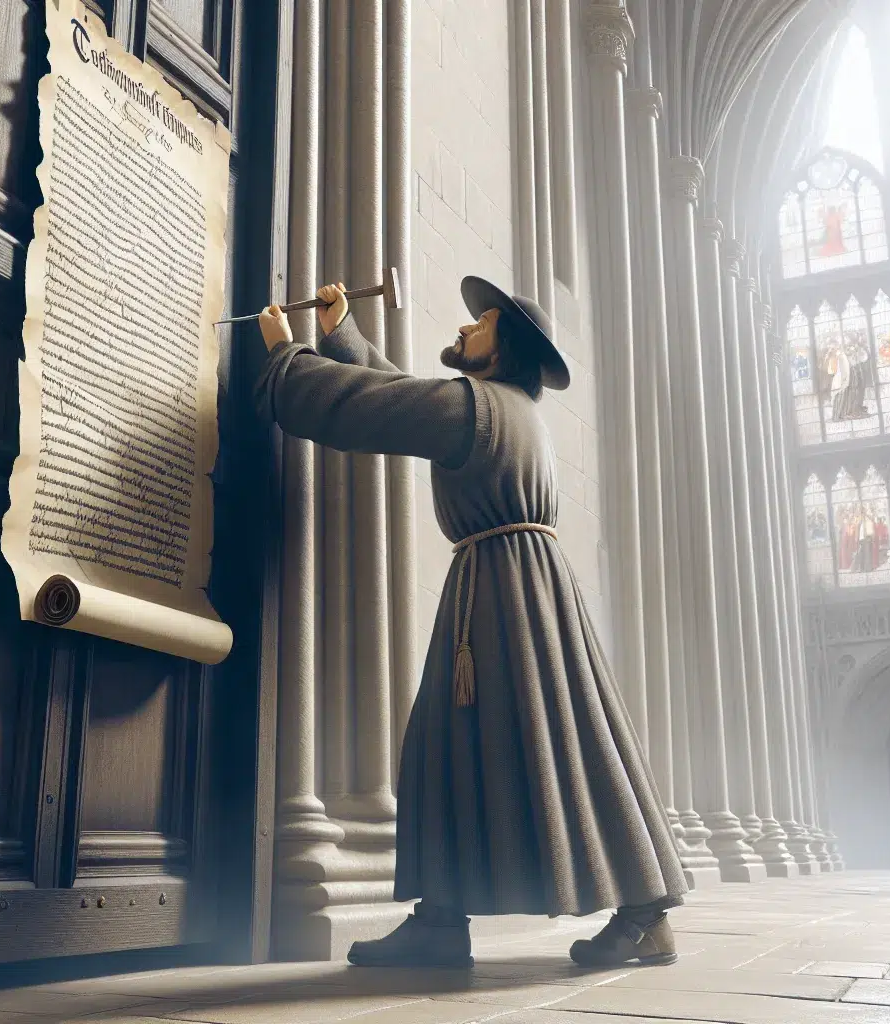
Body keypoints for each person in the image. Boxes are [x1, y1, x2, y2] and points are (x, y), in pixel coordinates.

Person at [255, 277, 688, 970]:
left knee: (505, 742)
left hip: (499, 598)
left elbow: (380, 410)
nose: (464, 329)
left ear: (504, 347)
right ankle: (450, 919)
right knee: (513, 741)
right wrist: (343, 338)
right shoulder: (503, 408)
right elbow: (410, 402)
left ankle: (636, 915)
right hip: (522, 589)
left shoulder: (477, 407)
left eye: (480, 323)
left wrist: (287, 360)